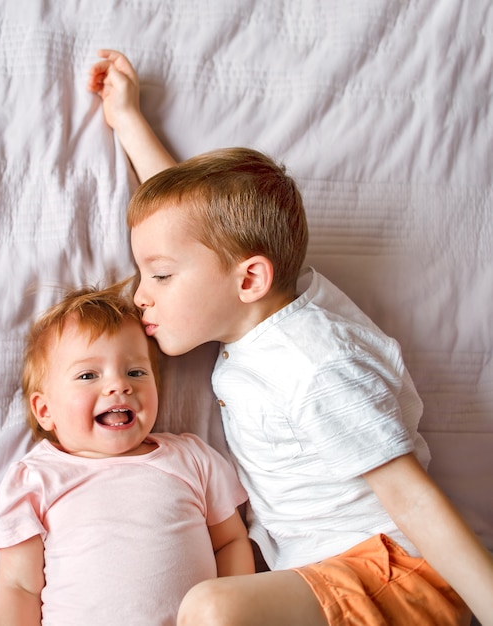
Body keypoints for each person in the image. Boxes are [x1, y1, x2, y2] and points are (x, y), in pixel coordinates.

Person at [88, 50, 493, 626]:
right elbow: (192, 230)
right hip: (329, 581)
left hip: (396, 575)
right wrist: (126, 118)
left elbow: (414, 498)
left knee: (210, 608)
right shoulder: (256, 298)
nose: (139, 295)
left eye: (159, 276)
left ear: (250, 278)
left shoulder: (315, 363)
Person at [0, 281, 254, 625]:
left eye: (135, 372)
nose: (119, 385)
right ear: (45, 411)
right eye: (88, 375)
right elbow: (19, 586)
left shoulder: (190, 458)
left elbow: (231, 541)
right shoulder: (37, 478)